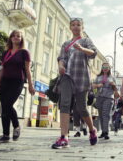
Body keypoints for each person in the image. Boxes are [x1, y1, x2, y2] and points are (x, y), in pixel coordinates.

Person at [52, 18, 98, 149]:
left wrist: (82, 48)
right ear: (70, 27)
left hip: (82, 77)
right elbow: (61, 58)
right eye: (73, 25)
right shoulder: (66, 44)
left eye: (78, 25)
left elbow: (93, 53)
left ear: (82, 27)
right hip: (67, 76)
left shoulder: (86, 40)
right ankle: (64, 137)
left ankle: (92, 129)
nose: (76, 27)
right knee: (65, 103)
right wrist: (61, 66)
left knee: (81, 107)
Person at [0, 30, 35, 143]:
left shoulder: (24, 52)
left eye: (19, 36)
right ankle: (5, 135)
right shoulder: (6, 53)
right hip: (5, 81)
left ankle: (16, 126)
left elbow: (27, 70)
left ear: (21, 39)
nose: (16, 38)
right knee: (4, 107)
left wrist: (31, 85)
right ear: (10, 38)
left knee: (8, 104)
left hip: (18, 81)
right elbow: (2, 69)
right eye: (14, 36)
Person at [93, 62, 119, 140]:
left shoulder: (112, 77)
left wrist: (113, 85)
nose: (105, 69)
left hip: (108, 97)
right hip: (99, 97)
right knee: (101, 115)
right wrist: (98, 85)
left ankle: (106, 132)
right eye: (104, 67)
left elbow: (116, 89)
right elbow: (93, 86)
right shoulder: (98, 77)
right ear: (102, 68)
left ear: (109, 69)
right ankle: (103, 132)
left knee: (106, 114)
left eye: (107, 67)